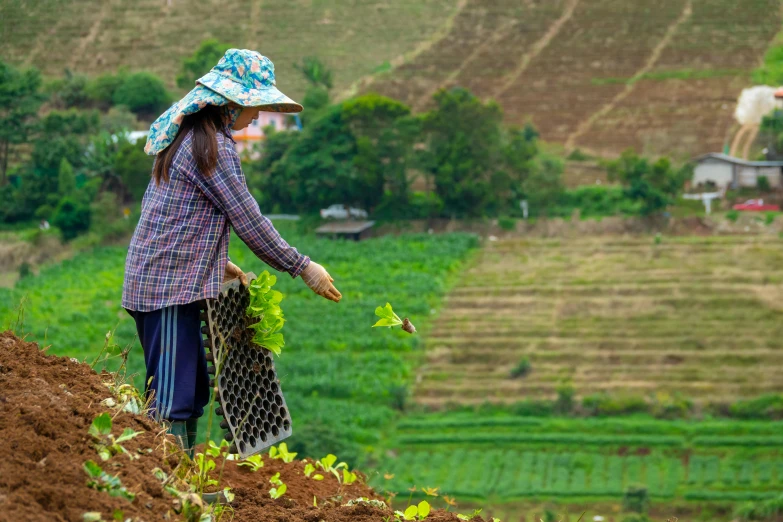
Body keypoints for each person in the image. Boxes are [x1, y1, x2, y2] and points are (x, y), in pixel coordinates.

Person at [121, 49, 341, 456]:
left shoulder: (190, 138)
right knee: (171, 398)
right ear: (231, 102)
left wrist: (215, 262)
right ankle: (167, 489)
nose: (255, 116)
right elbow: (249, 220)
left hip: (170, 279)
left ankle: (180, 484)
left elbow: (172, 215)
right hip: (167, 287)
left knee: (190, 391)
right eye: (252, 106)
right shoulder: (210, 149)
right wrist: (302, 266)